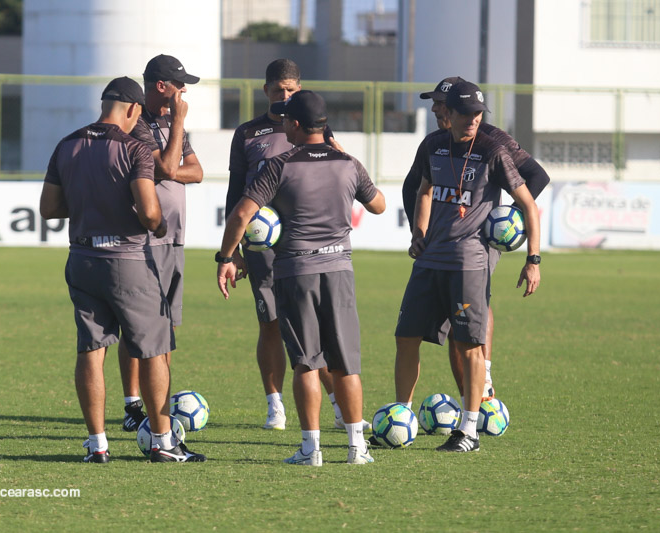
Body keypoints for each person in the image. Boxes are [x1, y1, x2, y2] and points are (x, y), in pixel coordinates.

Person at [39, 77, 205, 463]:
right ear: (132, 109)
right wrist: (160, 226)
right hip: (128, 261)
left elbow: (49, 209)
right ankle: (163, 443)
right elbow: (149, 213)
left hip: (81, 259)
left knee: (91, 350)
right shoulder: (134, 147)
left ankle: (97, 445)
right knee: (152, 351)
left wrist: (87, 204)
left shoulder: (67, 144)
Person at [218, 90, 386, 465]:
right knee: (345, 362)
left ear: (295, 124)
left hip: (296, 272)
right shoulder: (348, 163)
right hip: (339, 270)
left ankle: (312, 450)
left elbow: (242, 214)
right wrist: (345, 156)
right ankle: (357, 448)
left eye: (286, 121)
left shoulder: (279, 165)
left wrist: (225, 256)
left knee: (307, 362)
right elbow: (378, 205)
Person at [394, 79, 540, 453]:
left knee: (469, 346)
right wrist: (419, 232)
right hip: (430, 261)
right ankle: (402, 415)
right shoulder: (432, 145)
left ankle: (469, 431)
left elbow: (529, 202)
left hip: (468, 263)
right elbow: (424, 190)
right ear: (452, 113)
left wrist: (532, 259)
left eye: (478, 113)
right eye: (467, 113)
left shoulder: (493, 149)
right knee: (406, 337)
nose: (473, 119)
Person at [119, 54, 204, 433]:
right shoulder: (137, 123)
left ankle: (160, 405)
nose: (185, 91)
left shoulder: (174, 125)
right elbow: (169, 169)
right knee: (138, 327)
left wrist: (175, 146)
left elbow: (196, 172)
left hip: (176, 239)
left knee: (167, 326)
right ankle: (132, 404)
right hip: (145, 238)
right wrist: (179, 128)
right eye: (180, 84)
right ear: (160, 87)